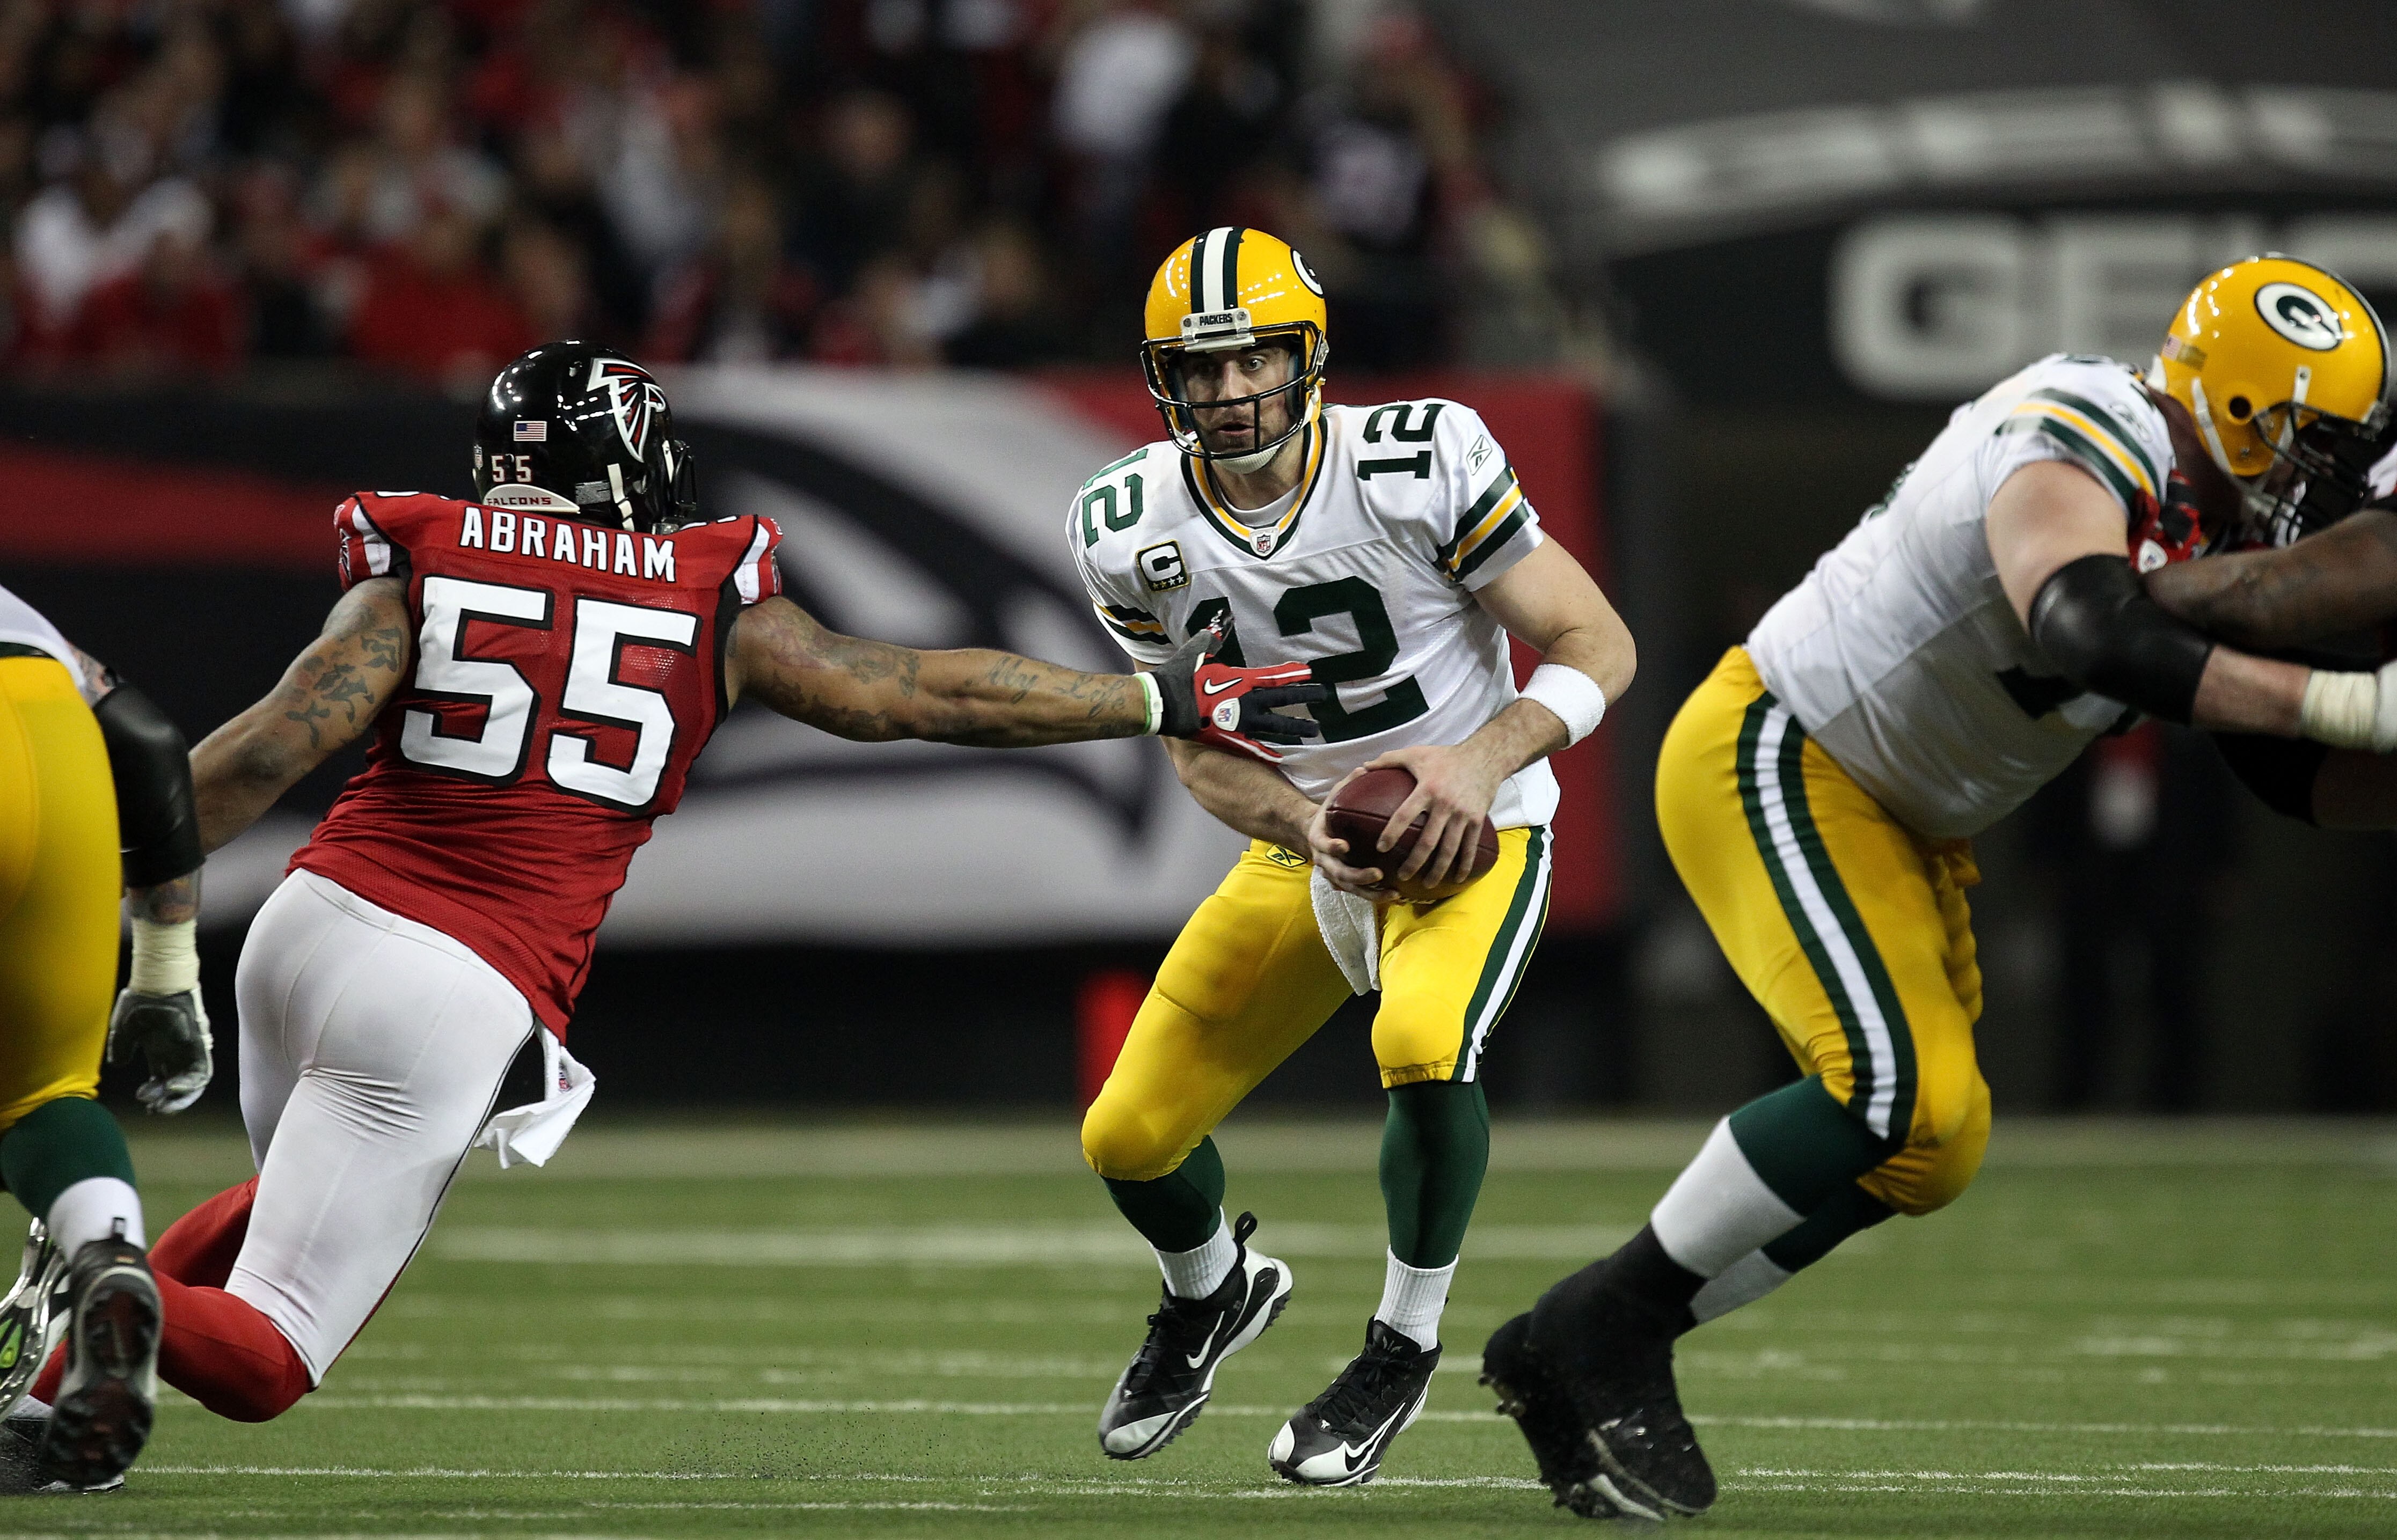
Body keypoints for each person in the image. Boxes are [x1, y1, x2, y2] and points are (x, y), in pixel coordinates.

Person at [14, 341, 1324, 1434]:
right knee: (267, 1355)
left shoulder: (429, 554)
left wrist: (121, 903)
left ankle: (51, 1388)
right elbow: (919, 695)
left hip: (301, 931)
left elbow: (269, 747)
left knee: (286, 1203)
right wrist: (1153, 695)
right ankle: (101, 1281)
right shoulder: (708, 594)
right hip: (451, 984)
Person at [1481, 255, 2397, 1522]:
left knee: (1931, 1143)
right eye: (2316, 445)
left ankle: (1565, 1337)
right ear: (2243, 405)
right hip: (1781, 745)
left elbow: (2285, 773)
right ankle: (1607, 1324)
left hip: (1899, 818)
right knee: (1886, 1087)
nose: (2326, 482)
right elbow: (2087, 624)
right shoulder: (2086, 417)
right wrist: (2356, 700)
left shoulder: (2220, 529)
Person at [1072, 226, 1634, 1485]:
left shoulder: (1414, 463)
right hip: (1313, 841)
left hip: (1472, 830)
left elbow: (1597, 642)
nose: (1228, 391)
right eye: (1199, 368)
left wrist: (1476, 763)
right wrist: (1302, 826)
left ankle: (1401, 1345)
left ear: (1307, 355)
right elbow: (1192, 748)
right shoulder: (1127, 525)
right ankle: (1211, 1290)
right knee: (1127, 1135)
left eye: (1252, 359)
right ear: (1166, 379)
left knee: (1421, 1042)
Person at [0, 586, 213, 1493]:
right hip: (52, 728)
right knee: (42, 1094)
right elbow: (150, 738)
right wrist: (165, 965)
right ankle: (107, 1250)